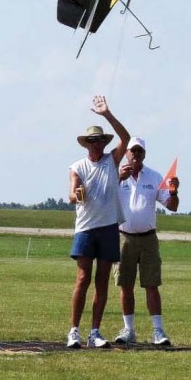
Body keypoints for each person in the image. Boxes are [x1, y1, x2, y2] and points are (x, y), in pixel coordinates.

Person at [67, 95, 130, 349]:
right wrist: (77, 194)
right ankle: (74, 331)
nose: (95, 145)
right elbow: (72, 193)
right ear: (86, 144)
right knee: (83, 278)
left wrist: (107, 114)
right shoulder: (77, 166)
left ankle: (95, 332)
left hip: (108, 227)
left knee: (103, 280)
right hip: (85, 228)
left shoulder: (111, 160)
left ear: (104, 143)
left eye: (99, 141)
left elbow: (126, 138)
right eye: (91, 141)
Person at [114, 136, 180, 347]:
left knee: (152, 284)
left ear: (144, 154)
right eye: (132, 151)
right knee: (125, 285)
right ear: (126, 154)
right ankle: (128, 329)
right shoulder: (116, 176)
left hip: (148, 238)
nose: (135, 155)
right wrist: (117, 179)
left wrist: (174, 191)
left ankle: (158, 331)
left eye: (139, 151)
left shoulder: (154, 176)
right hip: (124, 236)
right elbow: (103, 197)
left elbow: (171, 206)